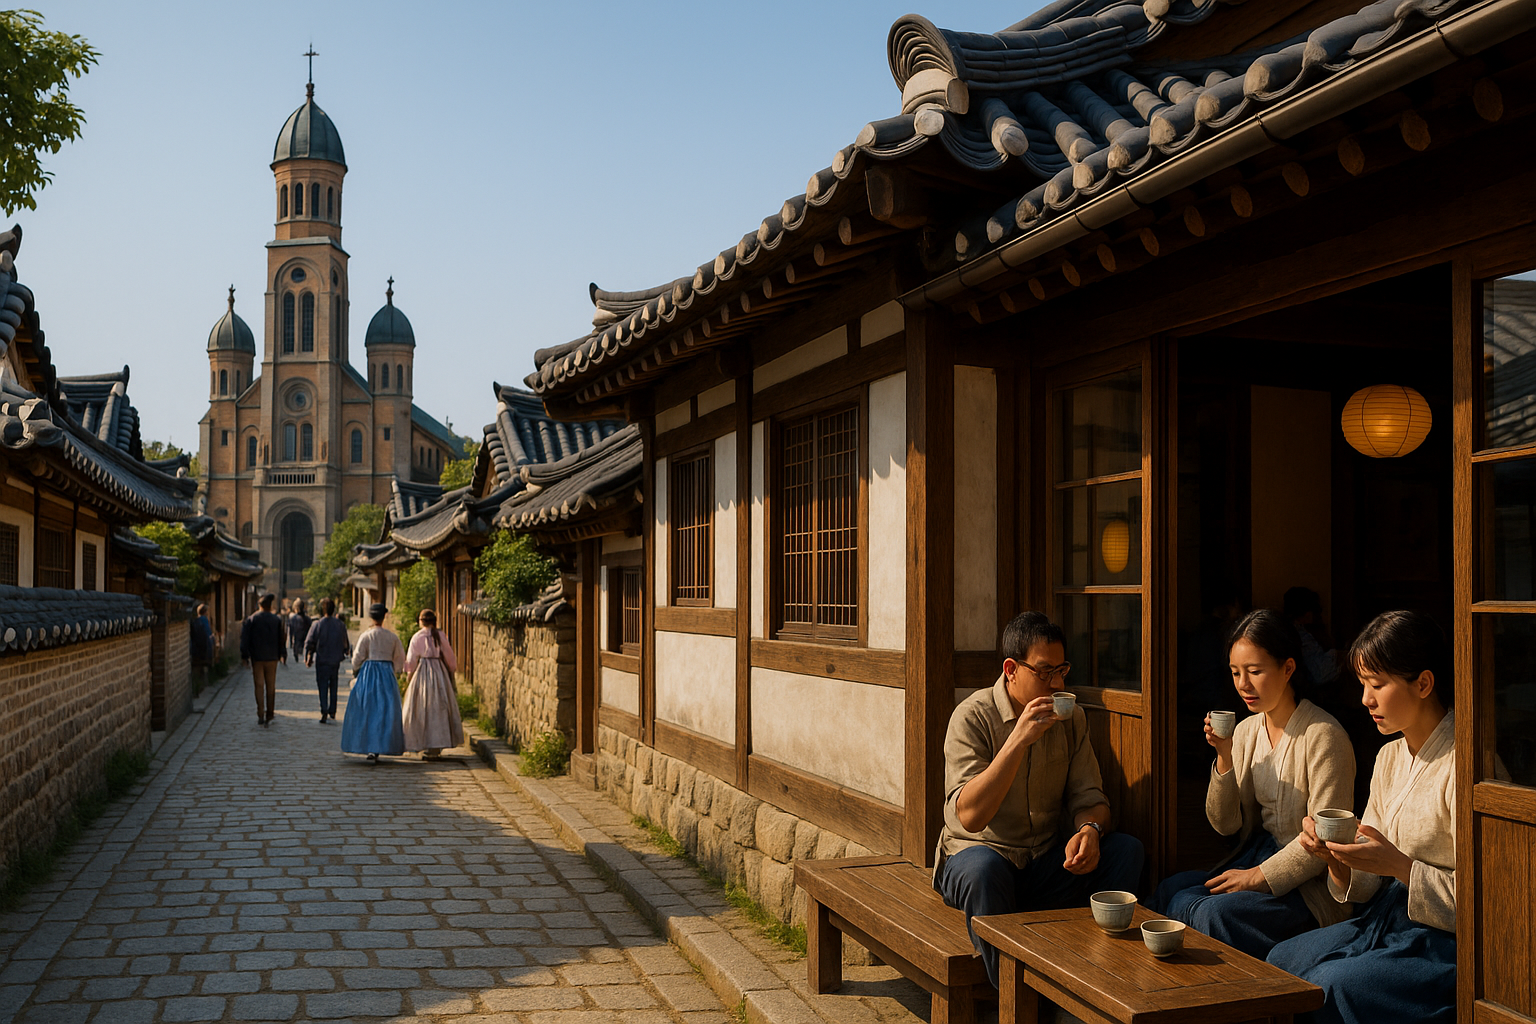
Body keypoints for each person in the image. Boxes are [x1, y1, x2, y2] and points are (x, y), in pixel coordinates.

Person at [1267, 610, 1470, 1023]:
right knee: (1280, 959)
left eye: (1377, 684)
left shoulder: (1465, 765)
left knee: (1331, 984)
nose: (1365, 700)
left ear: (1424, 683)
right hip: (1385, 919)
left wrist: (1400, 866)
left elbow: (1487, 899)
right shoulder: (1389, 756)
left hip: (1443, 942)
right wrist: (1335, 859)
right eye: (1362, 684)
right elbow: (1365, 885)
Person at [934, 610, 1144, 989]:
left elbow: (1092, 798)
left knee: (1126, 851)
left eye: (1061, 670)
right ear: (1011, 669)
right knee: (985, 871)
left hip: (1043, 863)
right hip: (980, 857)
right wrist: (1018, 739)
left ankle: (1095, 977)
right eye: (1044, 672)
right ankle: (1014, 1000)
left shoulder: (1071, 719)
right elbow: (971, 817)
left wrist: (1091, 830)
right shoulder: (972, 717)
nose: (1056, 682)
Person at [1150, 609, 1356, 958]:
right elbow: (1225, 824)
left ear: (1288, 668)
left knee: (1207, 912)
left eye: (1255, 672)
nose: (1243, 684)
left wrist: (1258, 877)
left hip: (1306, 884)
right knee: (1171, 890)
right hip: (1253, 857)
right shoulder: (1246, 730)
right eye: (1235, 673)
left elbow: (1325, 842)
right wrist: (1225, 757)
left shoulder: (1323, 736)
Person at [341, 602, 405, 764]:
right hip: (386, 674)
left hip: (369, 674)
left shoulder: (366, 636)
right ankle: (381, 745)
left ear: (371, 617)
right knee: (385, 711)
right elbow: (399, 658)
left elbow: (357, 657)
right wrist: (396, 671)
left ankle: (368, 745)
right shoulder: (392, 637)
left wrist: (356, 669)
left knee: (367, 709)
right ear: (385, 617)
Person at [402, 609, 463, 759]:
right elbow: (449, 656)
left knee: (422, 707)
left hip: (422, 672)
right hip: (438, 671)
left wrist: (409, 675)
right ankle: (436, 746)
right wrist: (451, 669)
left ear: (420, 621)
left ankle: (422, 742)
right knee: (438, 708)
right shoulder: (440, 635)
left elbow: (411, 660)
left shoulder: (417, 637)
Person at [239, 593, 286, 727]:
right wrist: (282, 654)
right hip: (272, 658)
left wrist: (244, 656)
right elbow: (281, 639)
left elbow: (245, 639)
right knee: (271, 687)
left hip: (257, 658)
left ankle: (260, 713)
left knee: (259, 686)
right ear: (270, 606)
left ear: (259, 605)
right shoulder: (276, 620)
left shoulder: (251, 619)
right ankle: (269, 713)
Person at [304, 598, 351, 723]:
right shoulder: (340, 625)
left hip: (322, 660)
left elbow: (310, 642)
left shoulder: (317, 624)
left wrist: (308, 656)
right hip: (335, 661)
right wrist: (346, 650)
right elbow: (345, 642)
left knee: (323, 685)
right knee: (334, 685)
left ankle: (324, 709)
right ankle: (333, 710)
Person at [190, 602, 215, 692]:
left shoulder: (194, 621)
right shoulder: (204, 621)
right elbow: (208, 635)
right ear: (205, 612)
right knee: (203, 668)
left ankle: (197, 686)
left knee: (197, 668)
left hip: (195, 649)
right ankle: (203, 685)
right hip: (205, 648)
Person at [287, 597, 313, 665]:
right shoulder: (307, 619)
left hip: (297, 638)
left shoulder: (293, 618)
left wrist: (290, 642)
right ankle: (305, 657)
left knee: (297, 647)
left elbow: (290, 631)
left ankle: (297, 656)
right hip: (305, 638)